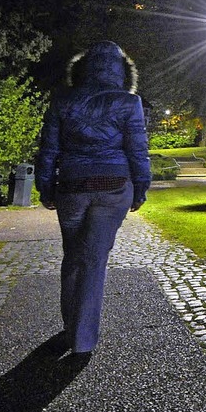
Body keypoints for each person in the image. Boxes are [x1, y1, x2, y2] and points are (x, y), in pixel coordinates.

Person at [35, 41, 151, 356]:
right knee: (94, 261)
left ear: (82, 69)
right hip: (113, 186)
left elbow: (48, 148)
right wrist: (141, 187)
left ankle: (70, 328)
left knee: (73, 257)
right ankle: (83, 341)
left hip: (71, 186)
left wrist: (45, 186)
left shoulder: (62, 100)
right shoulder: (129, 102)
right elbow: (137, 150)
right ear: (122, 71)